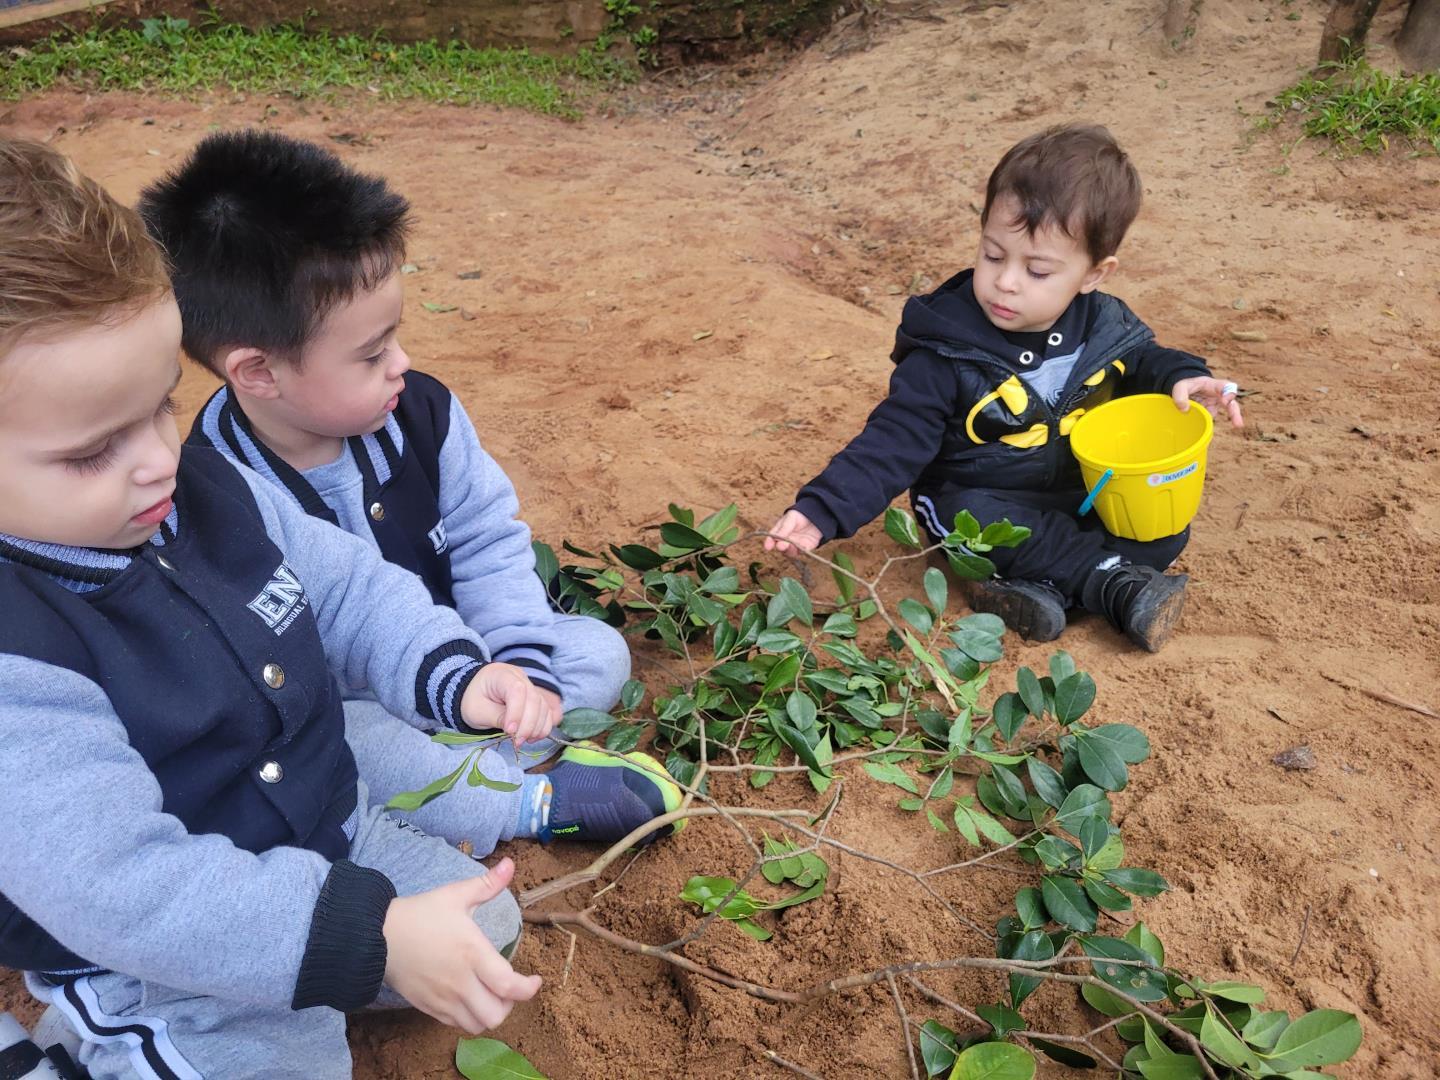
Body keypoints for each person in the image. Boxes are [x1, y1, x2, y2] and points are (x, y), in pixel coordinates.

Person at [0, 136, 673, 1079]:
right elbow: (122, 888)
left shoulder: (198, 485)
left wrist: (456, 672)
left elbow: (347, 585)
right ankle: (80, 1044)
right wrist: (374, 938)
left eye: (160, 405)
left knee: (486, 923)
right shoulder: (18, 657)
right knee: (299, 1060)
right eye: (89, 452)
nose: (158, 458)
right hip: (158, 937)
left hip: (320, 823)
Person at [139, 130, 661, 850]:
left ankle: (477, 767)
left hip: (463, 663)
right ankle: (521, 796)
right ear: (259, 373)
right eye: (372, 353)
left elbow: (487, 540)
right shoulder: (218, 491)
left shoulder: (422, 412)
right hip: (353, 704)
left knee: (598, 654)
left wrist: (516, 667)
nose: (402, 365)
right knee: (349, 746)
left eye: (396, 337)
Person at [766, 124, 1243, 651]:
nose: (1006, 281)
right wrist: (819, 510)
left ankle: (1032, 590)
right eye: (993, 256)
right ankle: (1111, 585)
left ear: (1093, 274)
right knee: (970, 523)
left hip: (1078, 495)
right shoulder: (946, 350)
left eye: (1037, 270)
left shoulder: (1103, 325)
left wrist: (1185, 374)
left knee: (1167, 530)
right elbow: (891, 442)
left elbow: (1146, 362)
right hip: (981, 497)